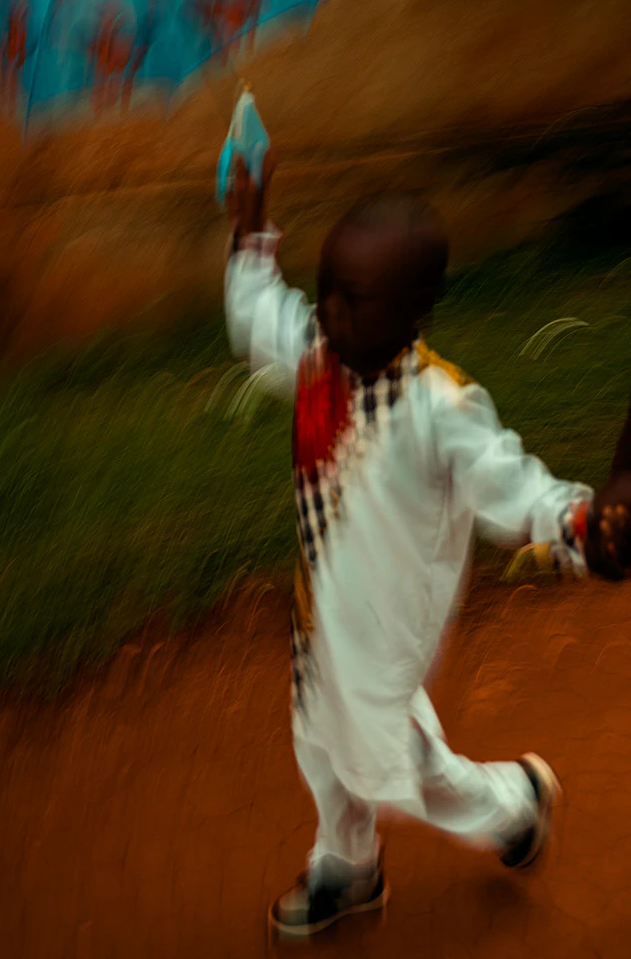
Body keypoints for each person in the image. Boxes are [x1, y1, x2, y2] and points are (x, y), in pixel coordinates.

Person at [223, 156, 631, 941]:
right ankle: (349, 869)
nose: (332, 311)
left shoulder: (441, 408)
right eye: (329, 286)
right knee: (319, 743)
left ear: (415, 311)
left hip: (388, 631)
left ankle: (514, 803)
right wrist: (250, 239)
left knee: (390, 765)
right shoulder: (318, 355)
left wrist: (583, 527)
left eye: (356, 297)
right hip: (322, 619)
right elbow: (259, 315)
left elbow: (518, 489)